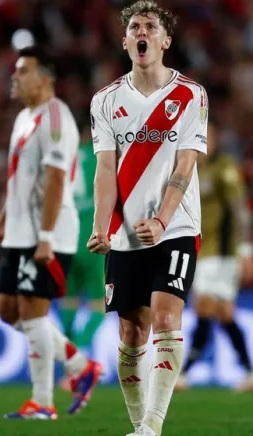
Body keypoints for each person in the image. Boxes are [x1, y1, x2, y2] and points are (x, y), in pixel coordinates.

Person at [87, 1, 208, 435]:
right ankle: (140, 425)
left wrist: (161, 220)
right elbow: (105, 169)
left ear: (164, 40)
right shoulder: (105, 101)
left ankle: (152, 427)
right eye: (134, 26)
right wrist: (101, 225)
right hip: (124, 234)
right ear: (125, 41)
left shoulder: (189, 95)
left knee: (164, 319)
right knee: (131, 331)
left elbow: (185, 165)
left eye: (150, 26)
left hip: (175, 228)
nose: (142, 32)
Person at [0, 46, 102, 419]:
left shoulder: (56, 118)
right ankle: (79, 365)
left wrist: (46, 235)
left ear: (44, 79)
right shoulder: (25, 117)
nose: (14, 77)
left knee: (33, 312)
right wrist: (4, 220)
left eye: (22, 71)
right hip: (20, 231)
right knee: (8, 309)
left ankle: (42, 402)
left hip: (48, 230)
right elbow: (22, 180)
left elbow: (56, 179)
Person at [176, 119, 253, 391]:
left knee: (207, 308)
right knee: (223, 313)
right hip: (201, 248)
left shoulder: (225, 168)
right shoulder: (192, 166)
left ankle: (185, 372)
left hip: (221, 252)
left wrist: (245, 251)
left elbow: (240, 211)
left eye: (208, 135)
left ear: (217, 137)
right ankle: (247, 370)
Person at [62, 123, 105, 348]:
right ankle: (75, 351)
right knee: (100, 305)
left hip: (65, 239)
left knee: (69, 300)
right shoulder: (98, 157)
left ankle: (67, 355)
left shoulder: (60, 158)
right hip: (91, 239)